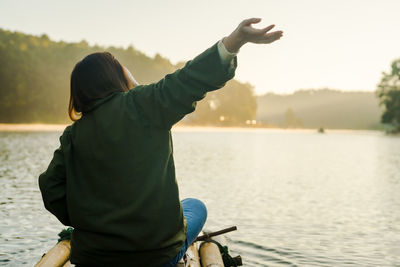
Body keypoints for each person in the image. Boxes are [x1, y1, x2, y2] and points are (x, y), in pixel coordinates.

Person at [38, 18, 283, 267]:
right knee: (195, 206)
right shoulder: (144, 104)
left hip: (94, 257)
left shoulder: (74, 134)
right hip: (155, 256)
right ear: (117, 78)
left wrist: (89, 219)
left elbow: (51, 189)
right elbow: (190, 80)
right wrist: (236, 40)